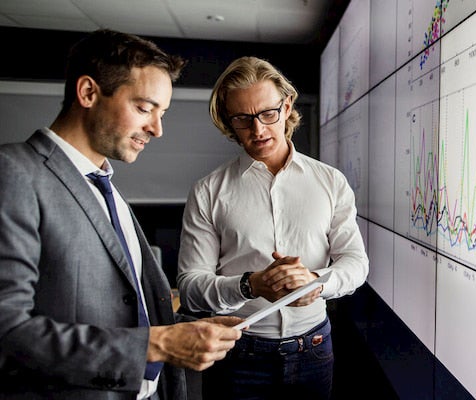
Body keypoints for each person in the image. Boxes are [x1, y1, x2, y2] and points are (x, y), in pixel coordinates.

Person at [0, 29, 243, 400]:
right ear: (87, 93)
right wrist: (157, 345)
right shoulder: (14, 172)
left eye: (161, 114)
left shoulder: (105, 187)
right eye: (144, 108)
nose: (157, 129)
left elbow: (126, 311)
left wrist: (185, 330)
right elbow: (8, 331)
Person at [176, 56, 369, 400]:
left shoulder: (330, 182)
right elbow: (190, 287)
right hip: (237, 353)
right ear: (228, 122)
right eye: (243, 119)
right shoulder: (207, 191)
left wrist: (316, 284)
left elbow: (355, 262)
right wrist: (251, 286)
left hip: (314, 349)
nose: (259, 130)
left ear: (287, 105)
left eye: (268, 114)